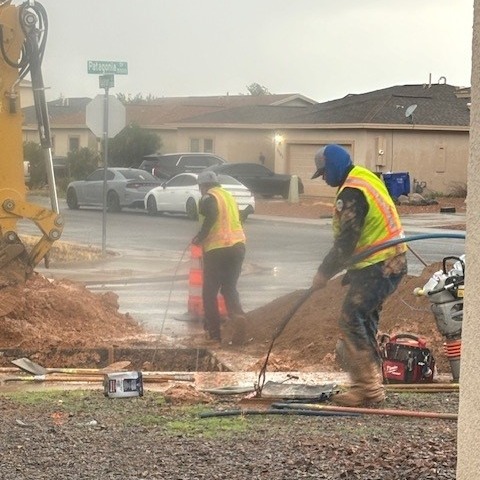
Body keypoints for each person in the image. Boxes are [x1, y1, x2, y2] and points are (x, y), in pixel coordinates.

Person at [311, 144, 407, 406]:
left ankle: (369, 391)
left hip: (382, 264)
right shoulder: (364, 178)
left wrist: (324, 272)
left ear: (332, 167)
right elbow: (369, 231)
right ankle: (369, 384)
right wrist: (354, 273)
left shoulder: (352, 192)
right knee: (364, 320)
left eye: (324, 173)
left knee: (351, 318)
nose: (325, 179)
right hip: (386, 262)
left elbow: (346, 241)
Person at [192, 170, 247, 343]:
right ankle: (238, 318)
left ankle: (213, 334)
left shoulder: (208, 198)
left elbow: (213, 215)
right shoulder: (229, 197)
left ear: (203, 186)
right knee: (229, 287)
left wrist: (200, 237)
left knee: (209, 292)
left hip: (217, 249)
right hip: (238, 247)